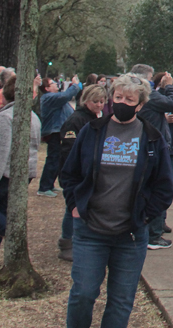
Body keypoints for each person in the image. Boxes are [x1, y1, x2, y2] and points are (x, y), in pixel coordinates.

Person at [60, 73, 173, 328]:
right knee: (83, 294)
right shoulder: (93, 131)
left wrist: (145, 215)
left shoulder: (152, 138)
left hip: (130, 235)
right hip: (90, 230)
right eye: (118, 96)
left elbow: (164, 186)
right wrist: (75, 206)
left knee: (121, 300)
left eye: (129, 98)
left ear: (140, 104)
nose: (122, 102)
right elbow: (70, 172)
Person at [0, 76, 41, 264]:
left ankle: (13, 234)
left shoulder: (6, 117)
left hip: (6, 173)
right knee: (2, 210)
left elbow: (0, 150)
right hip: (24, 173)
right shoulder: (33, 117)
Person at [57, 84, 108, 261]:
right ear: (85, 100)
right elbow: (68, 151)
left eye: (102, 102)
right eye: (95, 102)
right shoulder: (76, 120)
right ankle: (67, 241)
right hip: (77, 172)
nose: (99, 105)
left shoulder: (98, 118)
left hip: (91, 172)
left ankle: (79, 240)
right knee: (72, 208)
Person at [133, 65, 173, 249]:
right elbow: (172, 104)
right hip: (154, 147)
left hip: (150, 143)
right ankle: (153, 235)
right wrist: (169, 86)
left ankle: (156, 227)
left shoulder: (146, 95)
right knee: (159, 188)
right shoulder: (147, 94)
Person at [37, 74, 81, 197]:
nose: (57, 84)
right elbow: (66, 96)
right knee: (53, 158)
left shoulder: (54, 98)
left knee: (57, 159)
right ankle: (44, 187)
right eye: (53, 84)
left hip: (59, 131)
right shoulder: (49, 98)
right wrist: (74, 85)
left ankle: (50, 184)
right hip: (54, 132)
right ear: (46, 88)